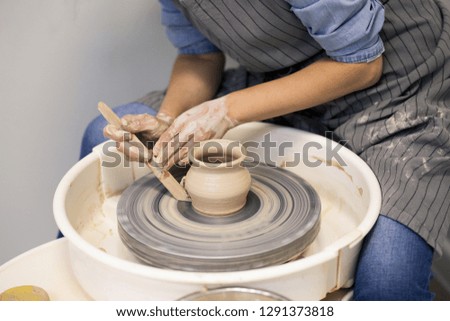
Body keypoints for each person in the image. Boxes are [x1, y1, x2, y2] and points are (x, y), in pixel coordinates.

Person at [81, 0, 449, 300]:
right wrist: (167, 123)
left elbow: (362, 65)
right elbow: (200, 57)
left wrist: (226, 111)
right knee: (101, 135)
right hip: (286, 85)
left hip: (400, 88)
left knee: (387, 281)